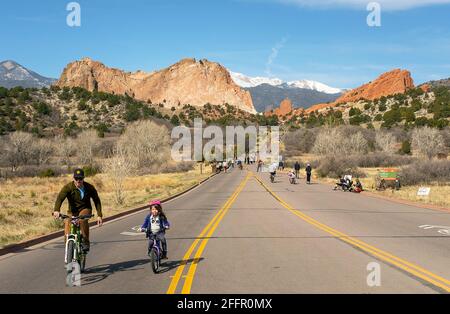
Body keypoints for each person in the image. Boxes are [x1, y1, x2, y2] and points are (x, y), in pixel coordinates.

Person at [53, 168, 103, 252]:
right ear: (73, 178)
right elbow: (60, 198)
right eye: (76, 178)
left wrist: (99, 215)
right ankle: (68, 245)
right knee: (67, 223)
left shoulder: (89, 187)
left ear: (83, 178)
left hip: (85, 209)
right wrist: (56, 210)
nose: (78, 181)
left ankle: (85, 242)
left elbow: (96, 200)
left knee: (82, 219)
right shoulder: (68, 187)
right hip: (72, 211)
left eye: (80, 178)